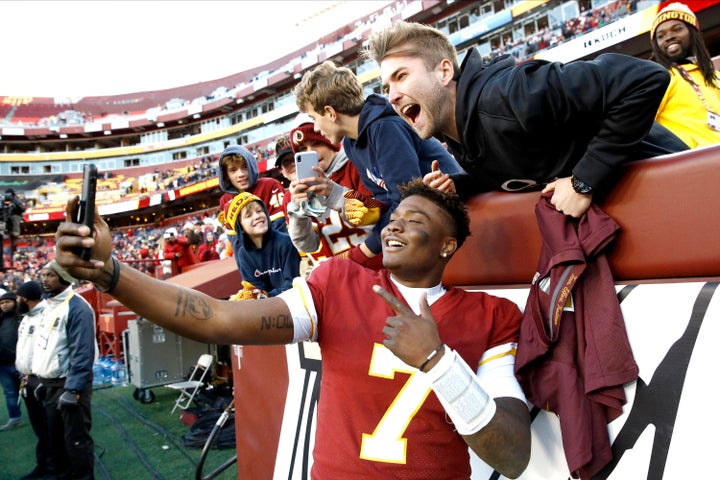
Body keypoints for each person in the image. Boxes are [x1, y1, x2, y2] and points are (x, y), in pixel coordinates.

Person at [54, 180, 532, 479]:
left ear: (448, 245)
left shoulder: (492, 316)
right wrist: (110, 273)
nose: (394, 226)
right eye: (394, 216)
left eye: (416, 220)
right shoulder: (338, 281)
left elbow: (513, 458)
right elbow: (217, 317)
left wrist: (437, 362)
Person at [365, 21, 690, 218]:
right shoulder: (459, 131)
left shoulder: (510, 93)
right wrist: (460, 185)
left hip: (687, 193)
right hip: (642, 211)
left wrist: (582, 181)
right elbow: (524, 164)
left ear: (445, 71)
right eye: (386, 86)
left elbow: (645, 78)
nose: (392, 95)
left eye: (402, 76)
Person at [293, 60, 464, 266]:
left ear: (330, 113)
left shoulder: (385, 127)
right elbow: (384, 206)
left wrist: (362, 252)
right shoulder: (351, 143)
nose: (317, 128)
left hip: (455, 216)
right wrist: (336, 194)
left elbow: (407, 202)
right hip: (425, 224)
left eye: (314, 118)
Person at [286, 117, 386, 266]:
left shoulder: (355, 166)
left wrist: (335, 194)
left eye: (316, 143)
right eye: (302, 149)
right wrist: (298, 212)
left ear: (329, 141)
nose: (310, 151)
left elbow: (378, 218)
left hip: (380, 263)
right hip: (343, 273)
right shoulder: (298, 191)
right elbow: (308, 245)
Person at [35, 261, 98, 480]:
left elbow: (82, 351)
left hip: (69, 384)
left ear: (64, 277)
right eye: (42, 274)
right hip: (52, 384)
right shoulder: (49, 306)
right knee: (57, 439)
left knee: (76, 440)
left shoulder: (77, 307)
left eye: (50, 275)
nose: (44, 279)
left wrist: (73, 388)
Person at [650, 2, 720, 148]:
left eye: (677, 29)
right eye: (661, 36)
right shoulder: (659, 78)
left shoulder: (716, 77)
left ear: (692, 33)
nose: (669, 37)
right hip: (692, 164)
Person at [221, 192, 300, 298]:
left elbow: (293, 285)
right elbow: (254, 289)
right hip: (267, 308)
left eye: (259, 211)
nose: (257, 216)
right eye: (248, 215)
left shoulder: (286, 242)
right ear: (240, 227)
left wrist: (264, 296)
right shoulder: (243, 254)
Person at [15, 281, 55, 479]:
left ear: (25, 298)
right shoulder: (26, 318)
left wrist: (38, 376)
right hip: (27, 379)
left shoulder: (45, 316)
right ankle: (44, 465)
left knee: (50, 427)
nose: (16, 301)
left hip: (41, 379)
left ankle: (54, 468)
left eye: (18, 297)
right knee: (40, 427)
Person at [217, 144, 287, 232]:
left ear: (251, 166)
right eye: (233, 170)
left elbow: (281, 227)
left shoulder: (270, 186)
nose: (241, 174)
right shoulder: (225, 200)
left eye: (245, 167)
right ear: (226, 175)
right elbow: (235, 239)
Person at [0, 291, 22, 431]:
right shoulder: (0, 319)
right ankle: (14, 418)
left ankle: (45, 416)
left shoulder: (22, 317)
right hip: (3, 365)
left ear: (15, 302)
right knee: (9, 393)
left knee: (31, 393)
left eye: (7, 302)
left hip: (21, 363)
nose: (4, 305)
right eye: (1, 303)